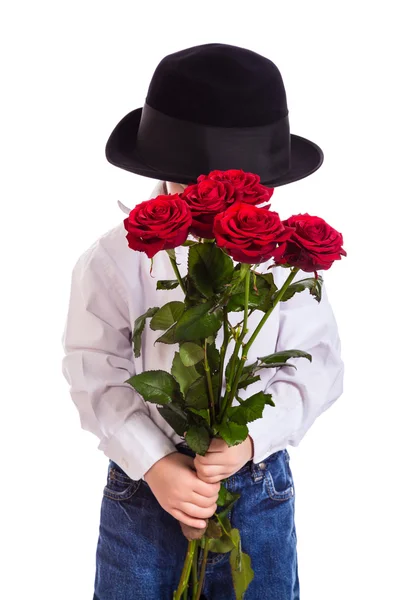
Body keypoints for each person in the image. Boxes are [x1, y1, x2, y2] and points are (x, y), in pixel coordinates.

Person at [61, 43, 344, 600]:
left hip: (255, 488)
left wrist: (248, 440)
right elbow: (94, 371)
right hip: (144, 494)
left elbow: (317, 368)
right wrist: (157, 463)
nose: (213, 199)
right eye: (194, 179)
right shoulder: (115, 259)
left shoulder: (282, 264)